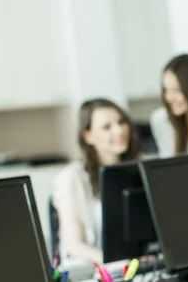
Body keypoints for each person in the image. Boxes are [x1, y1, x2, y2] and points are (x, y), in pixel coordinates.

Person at [52, 98, 142, 264]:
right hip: (97, 268)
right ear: (88, 136)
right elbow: (74, 245)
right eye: (107, 127)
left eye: (121, 122)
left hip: (137, 265)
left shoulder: (139, 169)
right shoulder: (72, 178)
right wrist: (118, 261)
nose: (119, 130)